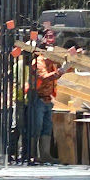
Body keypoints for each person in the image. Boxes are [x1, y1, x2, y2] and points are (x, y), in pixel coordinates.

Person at [30, 28, 71, 163]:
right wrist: (61, 70)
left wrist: (70, 60)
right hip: (38, 98)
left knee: (46, 128)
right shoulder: (39, 61)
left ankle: (45, 154)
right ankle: (32, 155)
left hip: (48, 99)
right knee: (36, 128)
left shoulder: (51, 62)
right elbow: (45, 77)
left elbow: (61, 72)